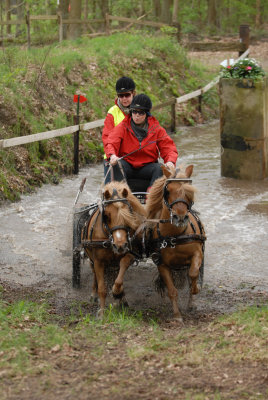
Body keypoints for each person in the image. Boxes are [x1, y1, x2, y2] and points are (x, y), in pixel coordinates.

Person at [106, 93, 178, 191]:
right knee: (117, 165)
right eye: (134, 112)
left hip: (147, 167)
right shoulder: (123, 126)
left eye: (141, 113)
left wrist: (170, 161)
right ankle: (122, 197)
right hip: (127, 165)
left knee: (160, 168)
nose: (137, 115)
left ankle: (152, 197)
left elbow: (169, 148)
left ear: (147, 114)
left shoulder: (157, 129)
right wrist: (112, 155)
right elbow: (111, 143)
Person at [102, 76, 136, 182]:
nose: (124, 99)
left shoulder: (141, 111)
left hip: (135, 160)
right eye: (121, 96)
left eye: (127, 95)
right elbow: (107, 137)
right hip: (114, 160)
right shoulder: (112, 112)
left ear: (133, 94)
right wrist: (111, 155)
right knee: (111, 195)